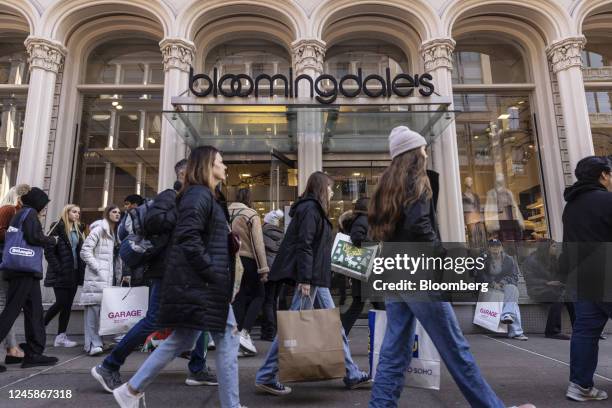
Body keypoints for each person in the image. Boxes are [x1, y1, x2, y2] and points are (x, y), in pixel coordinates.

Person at [368, 126, 533, 408]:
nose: (427, 153)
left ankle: (380, 405)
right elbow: (421, 227)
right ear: (413, 153)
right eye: (423, 148)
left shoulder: (387, 186)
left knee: (394, 350)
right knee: (456, 349)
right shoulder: (418, 181)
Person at [112, 146, 243, 408]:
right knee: (227, 337)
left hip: (198, 282)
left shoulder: (206, 196)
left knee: (183, 338)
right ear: (208, 166)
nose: (225, 166)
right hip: (203, 283)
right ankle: (232, 406)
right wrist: (212, 272)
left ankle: (131, 389)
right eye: (220, 161)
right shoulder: (199, 195)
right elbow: (188, 238)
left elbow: (197, 237)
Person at [92, 159, 217, 393]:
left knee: (196, 317)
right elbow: (154, 223)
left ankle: (198, 368)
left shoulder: (188, 198)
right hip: (166, 270)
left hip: (179, 270)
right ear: (184, 173)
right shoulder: (170, 196)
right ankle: (108, 366)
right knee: (154, 320)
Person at [255, 171, 371, 396]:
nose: (331, 191)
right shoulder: (310, 209)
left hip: (318, 278)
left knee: (333, 324)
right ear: (320, 188)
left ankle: (351, 373)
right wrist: (306, 279)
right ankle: (266, 375)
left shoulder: (312, 209)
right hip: (311, 279)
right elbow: (305, 245)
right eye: (328, 187)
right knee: (293, 326)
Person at [561, 155, 612, 402]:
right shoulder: (608, 200)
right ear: (603, 175)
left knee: (585, 332)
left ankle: (579, 385)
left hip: (583, 277)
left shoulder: (571, 206)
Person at [0, 187, 59, 371]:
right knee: (11, 311)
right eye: (44, 204)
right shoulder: (30, 213)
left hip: (22, 269)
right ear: (38, 202)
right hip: (24, 270)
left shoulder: (20, 213)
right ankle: (34, 353)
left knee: (35, 310)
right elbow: (34, 237)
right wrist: (52, 240)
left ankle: (34, 354)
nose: (44, 208)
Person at [229, 188, 269, 355]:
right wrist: (263, 268)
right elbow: (257, 243)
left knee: (238, 298)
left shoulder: (226, 212)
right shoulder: (250, 214)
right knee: (259, 296)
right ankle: (245, 332)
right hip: (249, 260)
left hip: (231, 260)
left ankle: (237, 337)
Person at [80, 205, 122, 356]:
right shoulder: (99, 230)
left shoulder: (113, 233)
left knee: (101, 313)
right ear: (107, 213)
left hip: (107, 279)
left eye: (119, 212)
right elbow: (85, 251)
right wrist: (97, 267)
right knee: (93, 312)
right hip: (96, 278)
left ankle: (99, 342)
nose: (117, 214)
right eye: (114, 212)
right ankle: (92, 345)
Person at [339, 197, 385, 336]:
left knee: (363, 304)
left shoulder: (362, 220)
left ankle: (341, 332)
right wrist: (374, 245)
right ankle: (340, 332)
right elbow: (357, 238)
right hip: (366, 269)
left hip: (365, 269)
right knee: (374, 304)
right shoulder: (362, 220)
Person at [43, 204, 86, 348]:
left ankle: (61, 336)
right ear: (66, 213)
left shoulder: (79, 230)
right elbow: (48, 250)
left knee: (67, 305)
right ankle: (39, 328)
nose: (77, 214)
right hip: (60, 273)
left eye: (78, 212)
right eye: (74, 212)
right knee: (61, 302)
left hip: (73, 272)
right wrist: (58, 268)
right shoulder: (57, 228)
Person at [0, 184, 30, 366]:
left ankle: (12, 347)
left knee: (8, 304)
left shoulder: (12, 209)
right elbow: (2, 232)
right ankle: (11, 348)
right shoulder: (9, 209)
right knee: (5, 304)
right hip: (4, 262)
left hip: (8, 261)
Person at [522, 241, 575, 340]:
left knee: (570, 296)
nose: (556, 248)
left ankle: (578, 329)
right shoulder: (531, 260)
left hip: (552, 288)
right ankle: (552, 331)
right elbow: (529, 278)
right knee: (559, 297)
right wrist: (547, 282)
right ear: (546, 247)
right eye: (554, 246)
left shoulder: (553, 259)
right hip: (537, 289)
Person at [480, 239, 528, 341]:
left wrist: (502, 283)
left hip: (503, 287)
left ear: (501, 247)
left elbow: (514, 277)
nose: (495, 248)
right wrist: (492, 283)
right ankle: (516, 332)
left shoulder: (509, 259)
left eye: (497, 246)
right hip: (488, 288)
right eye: (492, 246)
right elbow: (479, 276)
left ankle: (507, 315)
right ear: (488, 248)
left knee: (513, 289)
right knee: (513, 303)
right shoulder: (482, 259)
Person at [260, 209, 284, 341]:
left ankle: (269, 332)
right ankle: (275, 330)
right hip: (279, 271)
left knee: (267, 301)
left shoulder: (261, 233)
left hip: (268, 269)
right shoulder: (283, 234)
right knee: (274, 300)